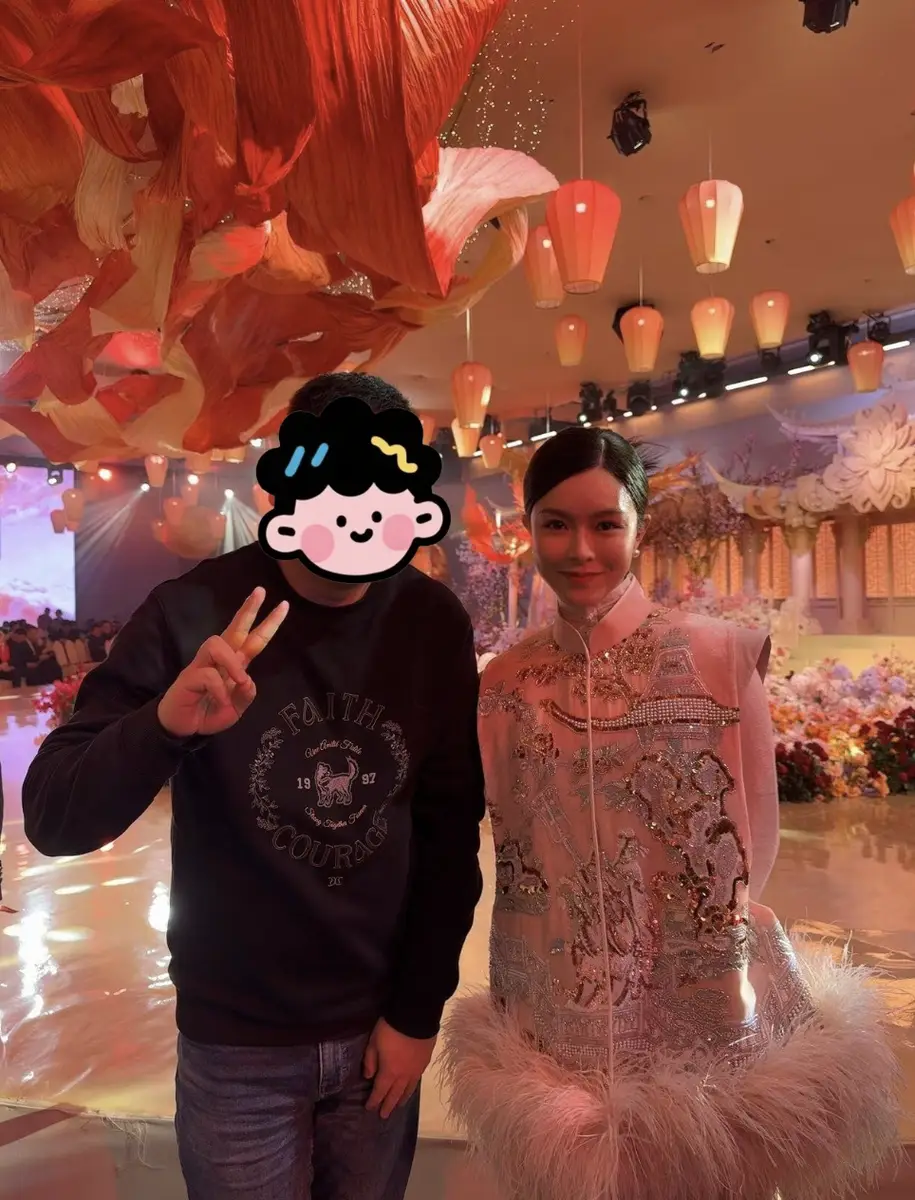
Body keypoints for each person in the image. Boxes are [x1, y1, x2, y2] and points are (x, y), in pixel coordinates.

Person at [23, 372, 485, 1200]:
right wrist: (164, 723)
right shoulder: (190, 612)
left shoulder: (428, 622)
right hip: (236, 1041)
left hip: (378, 1028)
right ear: (284, 485)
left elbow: (448, 832)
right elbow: (56, 815)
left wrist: (418, 1011)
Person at [442, 427, 899, 1200]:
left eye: (604, 523)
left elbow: (754, 835)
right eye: (555, 524)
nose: (580, 549)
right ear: (529, 529)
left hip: (696, 1005)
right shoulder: (505, 685)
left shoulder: (719, 656)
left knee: (707, 1172)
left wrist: (694, 933)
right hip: (553, 1011)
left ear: (637, 526)